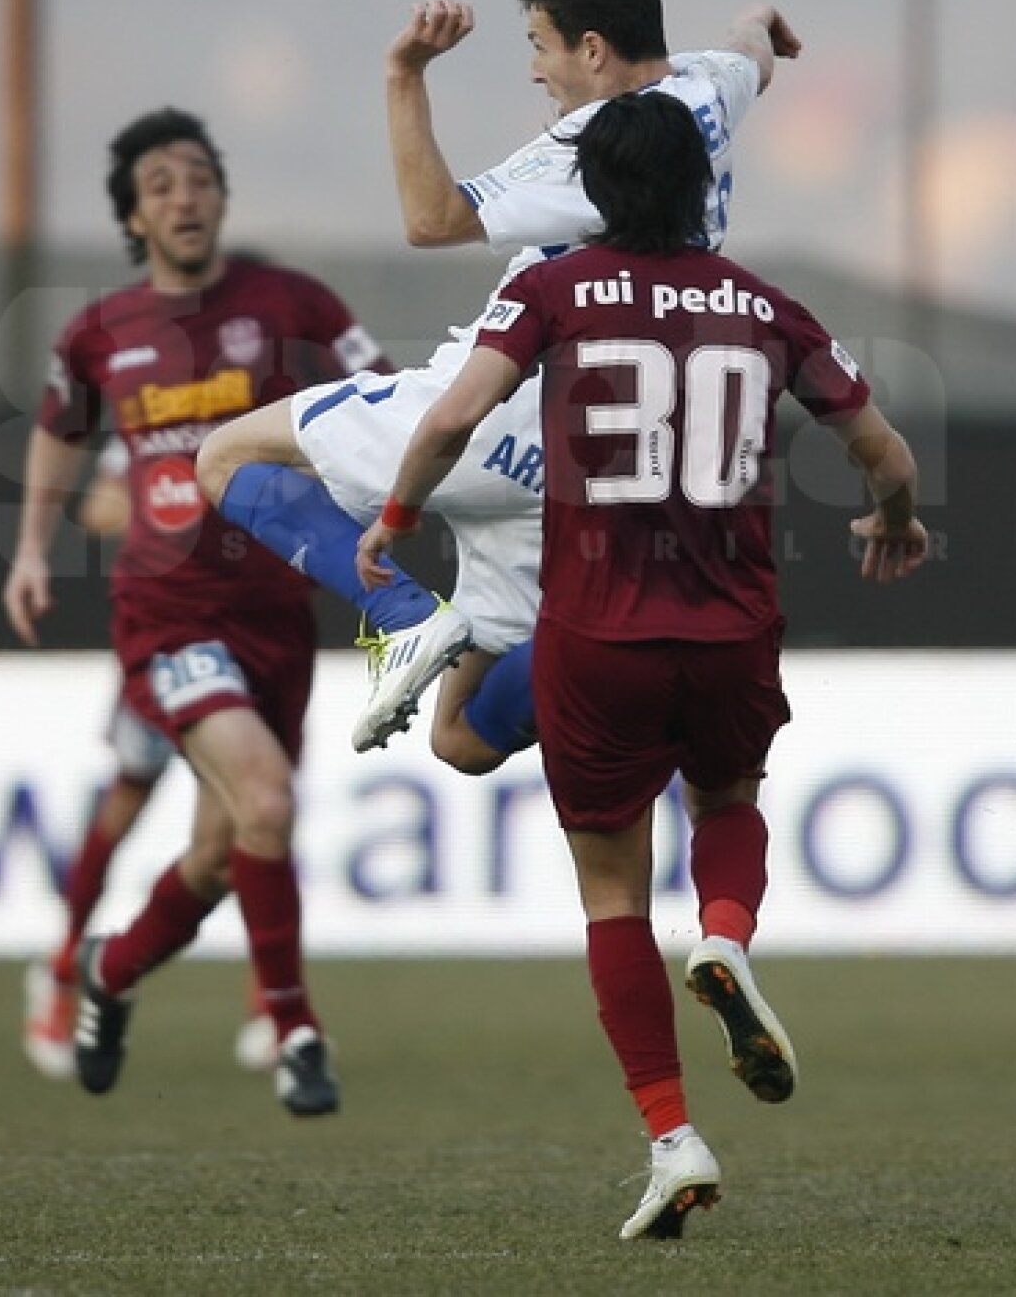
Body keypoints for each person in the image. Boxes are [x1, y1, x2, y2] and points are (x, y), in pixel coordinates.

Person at [354, 90, 929, 1241]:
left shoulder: (551, 288)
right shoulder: (765, 304)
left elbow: (456, 415)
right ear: (698, 189)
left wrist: (401, 512)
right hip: (729, 628)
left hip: (600, 632)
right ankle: (725, 935)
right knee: (728, 799)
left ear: (599, 191)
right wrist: (894, 517)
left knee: (612, 892)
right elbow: (880, 446)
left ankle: (672, 1136)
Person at [197, 0, 801, 763]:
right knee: (461, 736)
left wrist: (405, 72)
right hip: (579, 452)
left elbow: (431, 218)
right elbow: (749, 49)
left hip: (496, 408)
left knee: (223, 455)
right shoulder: (710, 86)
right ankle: (645, 683)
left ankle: (403, 616)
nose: (534, 69)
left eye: (539, 45)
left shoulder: (585, 147)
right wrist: (762, 18)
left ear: (592, 49)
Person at [2, 106, 388, 1115]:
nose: (185, 195)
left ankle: (110, 970)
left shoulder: (288, 299)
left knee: (222, 849)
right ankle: (297, 1028)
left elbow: (385, 393)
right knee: (263, 801)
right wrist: (35, 547)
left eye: (200, 177)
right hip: (167, 614)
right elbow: (56, 431)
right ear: (134, 214)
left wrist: (386, 490)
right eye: (162, 183)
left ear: (222, 196)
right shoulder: (100, 330)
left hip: (275, 614)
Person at [21, 437, 278, 1079]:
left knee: (252, 815)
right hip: (168, 643)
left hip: (242, 641)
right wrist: (179, 513)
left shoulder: (260, 415)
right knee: (128, 800)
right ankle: (62, 968)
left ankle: (271, 1001)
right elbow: (98, 510)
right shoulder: (150, 417)